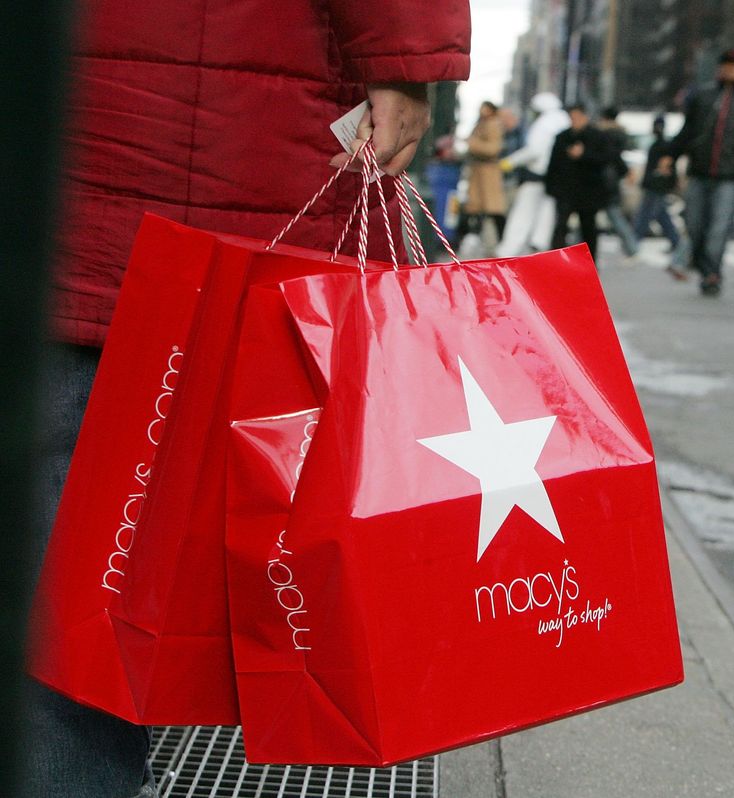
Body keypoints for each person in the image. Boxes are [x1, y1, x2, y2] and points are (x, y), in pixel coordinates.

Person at [30, 2, 470, 797]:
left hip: (76, 155)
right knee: (272, 516)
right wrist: (403, 65)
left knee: (61, 565)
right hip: (266, 147)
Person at [670, 47, 734, 296]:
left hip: (732, 177)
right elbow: (687, 132)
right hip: (699, 172)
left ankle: (711, 274)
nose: (730, 70)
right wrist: (669, 155)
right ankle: (705, 264)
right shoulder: (702, 96)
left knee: (719, 227)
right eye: (726, 65)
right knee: (693, 225)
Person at [496, 92, 571, 257]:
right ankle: (538, 247)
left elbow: (534, 150)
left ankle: (508, 251)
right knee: (546, 216)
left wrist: (511, 162)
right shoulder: (564, 120)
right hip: (556, 179)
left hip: (536, 176)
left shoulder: (544, 123)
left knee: (522, 215)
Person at [545, 105, 612, 259]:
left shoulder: (597, 136)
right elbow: (554, 163)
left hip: (588, 190)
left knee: (588, 227)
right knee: (560, 226)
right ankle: (555, 260)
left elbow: (605, 159)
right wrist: (551, 187)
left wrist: (584, 155)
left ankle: (590, 261)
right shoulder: (563, 137)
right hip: (566, 189)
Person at [454, 101, 508, 253]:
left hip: (488, 172)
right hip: (478, 171)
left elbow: (493, 148)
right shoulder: (481, 123)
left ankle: (502, 242)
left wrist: (473, 144)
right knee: (476, 209)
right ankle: (474, 240)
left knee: (493, 209)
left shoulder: (493, 124)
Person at [633, 117, 687, 265]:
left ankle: (633, 243)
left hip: (656, 184)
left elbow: (667, 166)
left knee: (646, 214)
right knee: (661, 215)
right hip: (656, 184)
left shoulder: (663, 145)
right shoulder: (661, 144)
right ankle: (675, 241)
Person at [597, 106, 642, 257]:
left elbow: (612, 156)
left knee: (597, 215)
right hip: (613, 179)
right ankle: (632, 247)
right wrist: (625, 172)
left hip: (600, 178)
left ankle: (632, 246)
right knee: (614, 215)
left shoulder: (602, 134)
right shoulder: (620, 134)